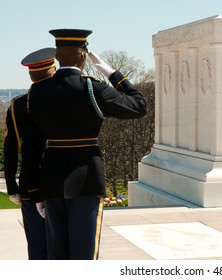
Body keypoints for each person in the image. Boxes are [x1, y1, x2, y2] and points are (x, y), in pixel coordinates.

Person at [22, 29, 147, 260]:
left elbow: (30, 147)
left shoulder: (37, 92)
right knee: (84, 254)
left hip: (51, 180)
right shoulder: (93, 88)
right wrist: (112, 73)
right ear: (83, 57)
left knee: (57, 254)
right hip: (87, 178)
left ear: (57, 56)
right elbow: (139, 106)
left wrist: (35, 191)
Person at [3, 47, 56, 259]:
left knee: (37, 247)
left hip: (30, 184)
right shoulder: (66, 99)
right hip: (63, 181)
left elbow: (10, 148)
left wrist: (12, 185)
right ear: (53, 70)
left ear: (31, 74)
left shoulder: (17, 105)